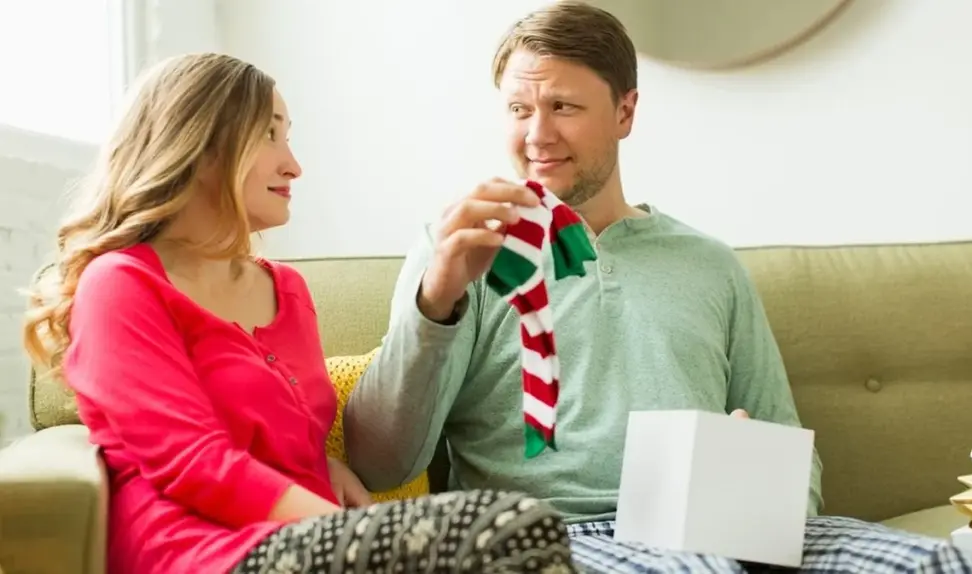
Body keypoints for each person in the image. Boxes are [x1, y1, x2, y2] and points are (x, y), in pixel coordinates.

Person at [342, 2, 972, 573]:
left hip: (720, 532)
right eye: (519, 109)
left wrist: (754, 483)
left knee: (937, 561)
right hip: (551, 537)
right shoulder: (458, 251)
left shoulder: (708, 265)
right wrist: (437, 302)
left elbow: (787, 448)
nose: (537, 135)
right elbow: (382, 463)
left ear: (626, 112)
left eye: (563, 106)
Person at [21, 53, 578, 574]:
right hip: (199, 553)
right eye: (270, 135)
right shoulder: (121, 285)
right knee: (516, 528)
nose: (294, 165)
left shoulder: (286, 290)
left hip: (302, 542)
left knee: (529, 536)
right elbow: (192, 460)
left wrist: (327, 472)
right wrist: (349, 527)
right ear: (200, 144)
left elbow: (296, 436)